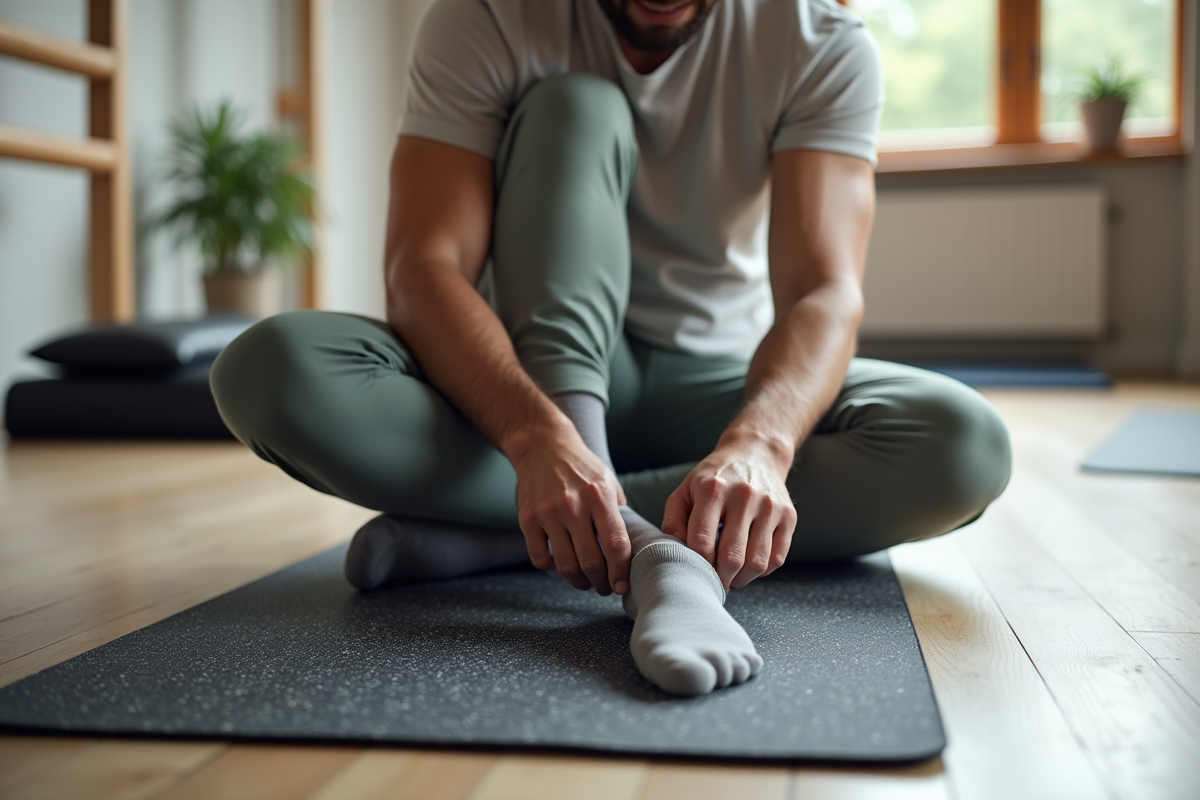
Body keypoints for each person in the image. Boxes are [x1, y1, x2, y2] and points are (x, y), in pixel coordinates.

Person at [211, 0, 1012, 697]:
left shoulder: (821, 40)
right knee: (272, 369)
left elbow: (822, 291)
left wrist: (761, 447)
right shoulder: (484, 16)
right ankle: (659, 553)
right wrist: (536, 439)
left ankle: (511, 537)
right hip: (521, 389)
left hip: (711, 389)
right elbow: (425, 267)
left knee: (963, 445)